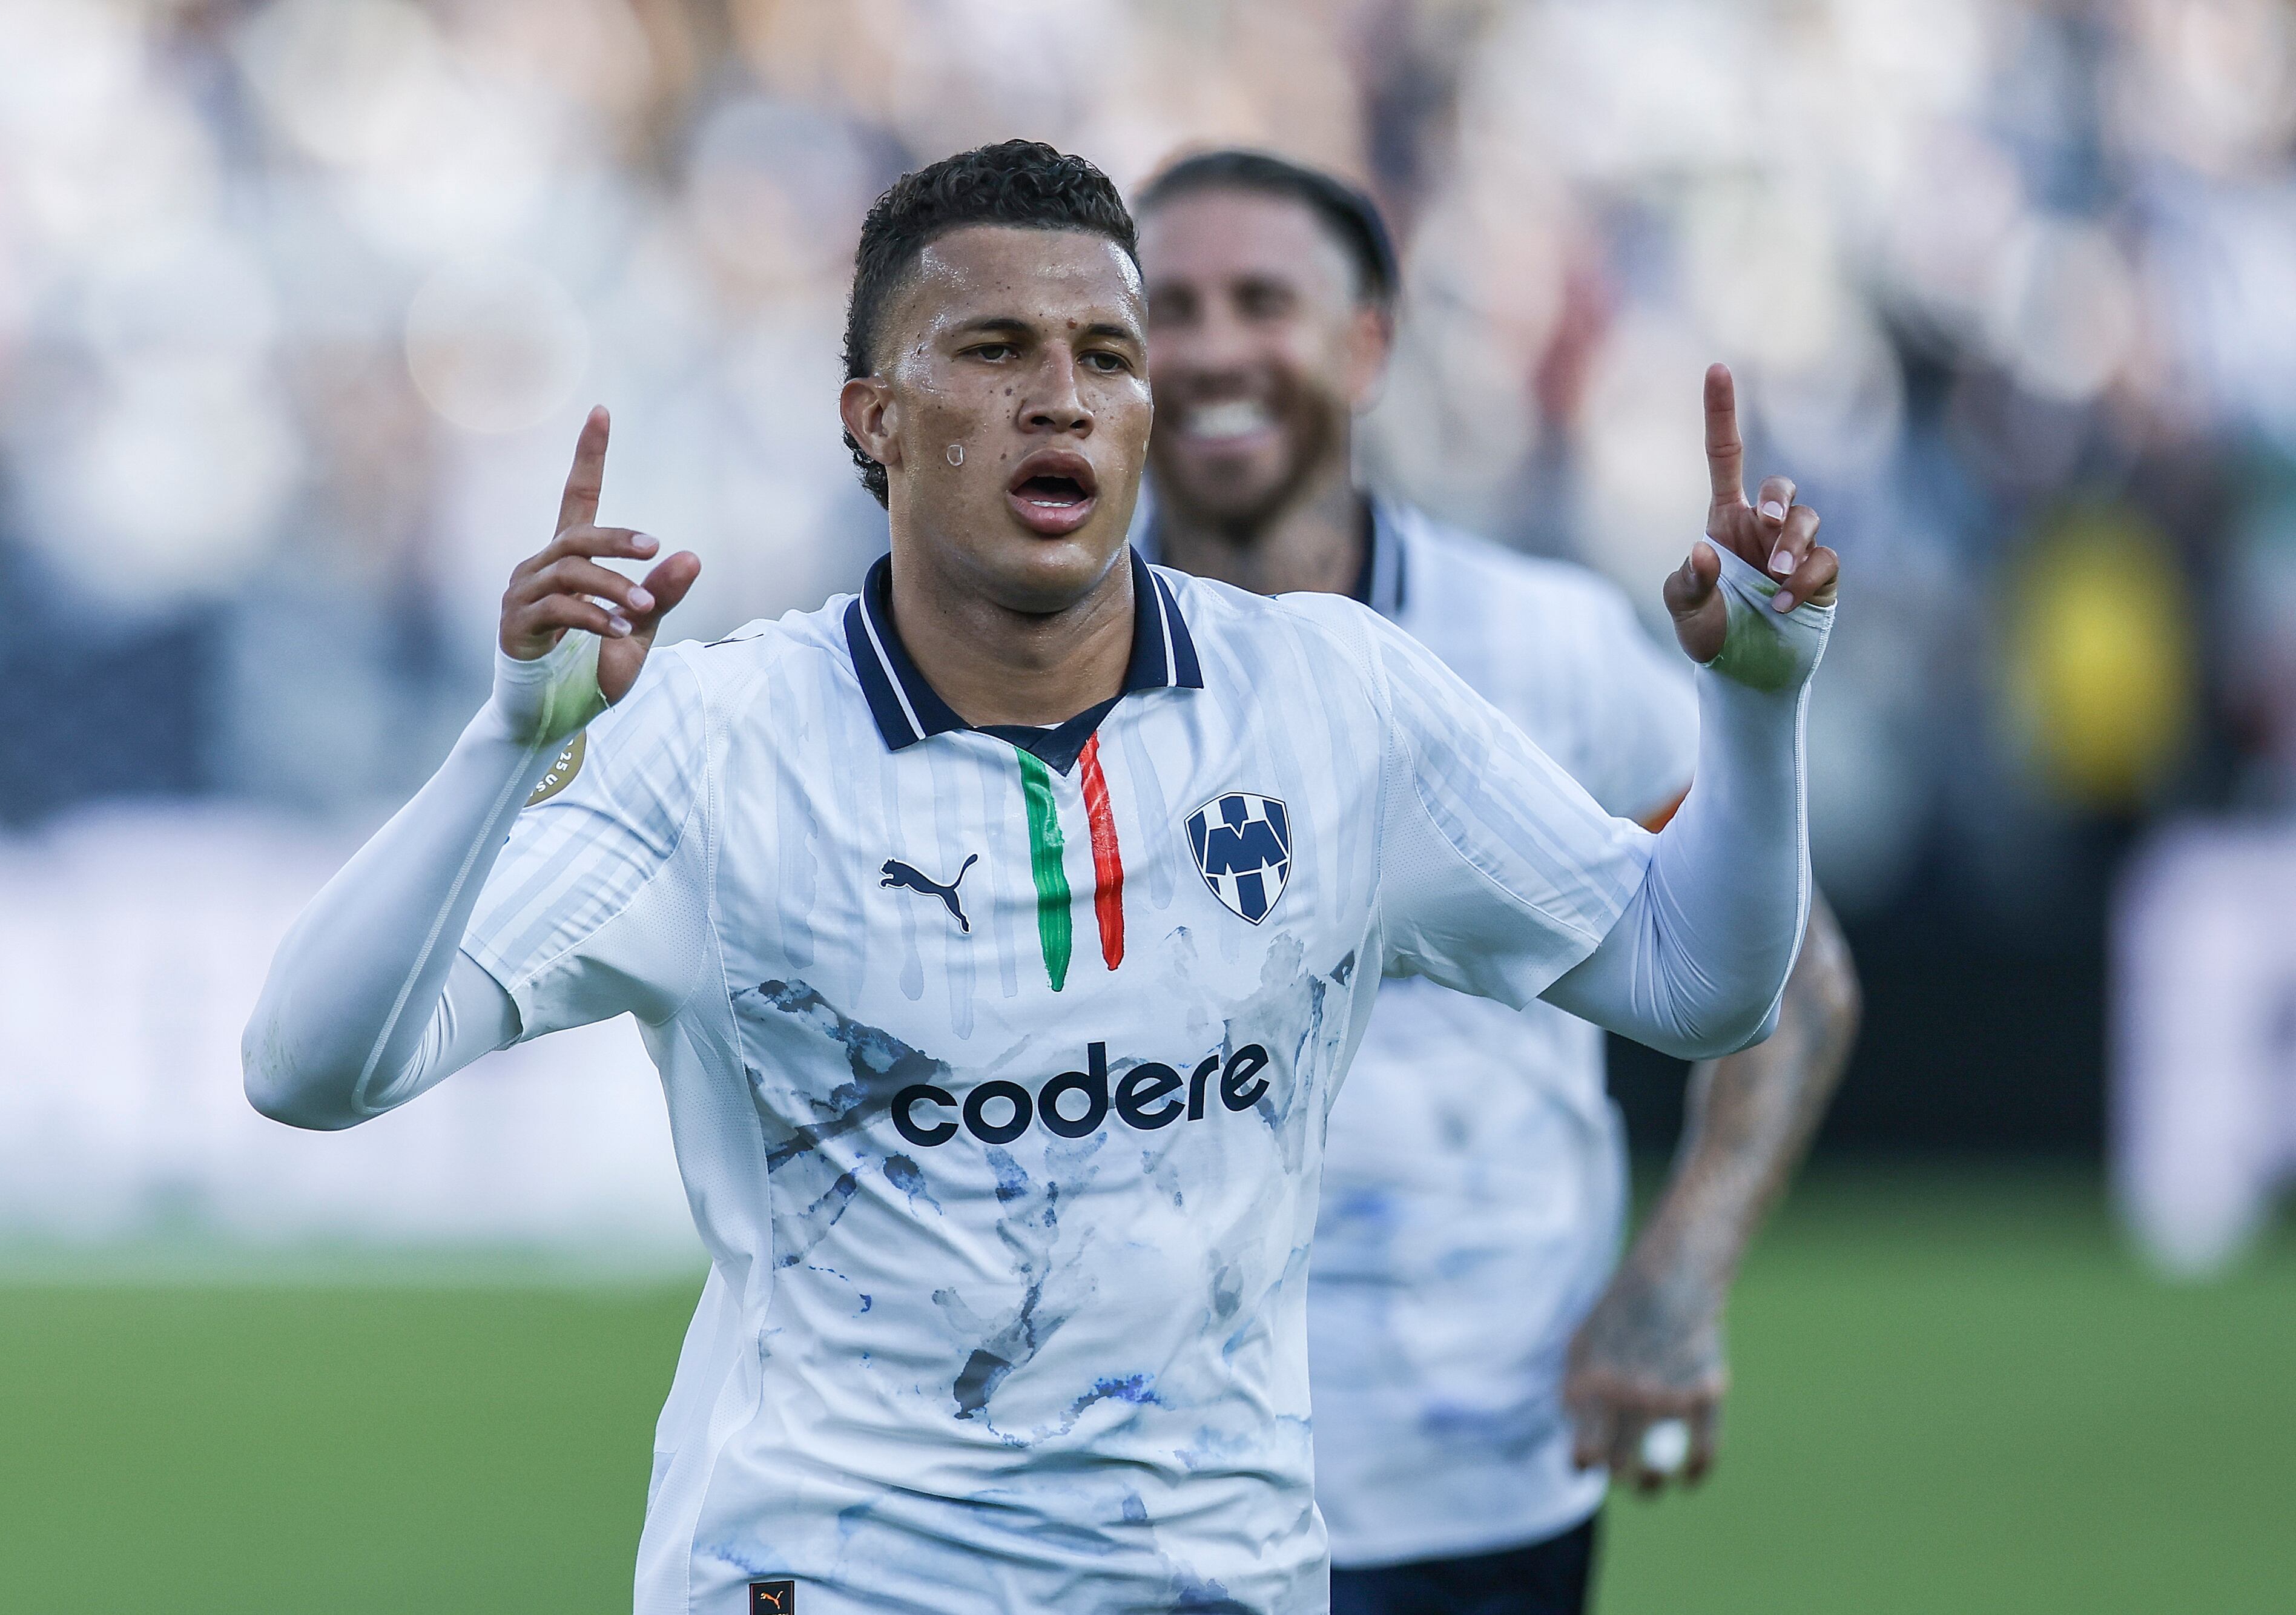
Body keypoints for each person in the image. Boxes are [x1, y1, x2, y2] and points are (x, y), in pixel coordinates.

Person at [242, 139, 1836, 1614]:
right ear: (874, 418)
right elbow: (308, 1068)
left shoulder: (1330, 699)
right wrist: (507, 742)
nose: (1062, 398)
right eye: (995, 351)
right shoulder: (723, 743)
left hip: (1213, 1578)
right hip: (832, 1576)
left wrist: (1758, 709)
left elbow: (1696, 983)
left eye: (1107, 356)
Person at [1133, 148, 1862, 1615]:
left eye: (1261, 302)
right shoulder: (1025, 663)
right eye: (1166, 311)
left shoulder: (1544, 645)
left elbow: (1795, 977)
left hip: (1472, 1480)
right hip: (1127, 1492)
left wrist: (1678, 1273)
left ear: (1366, 345)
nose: (1209, 349)